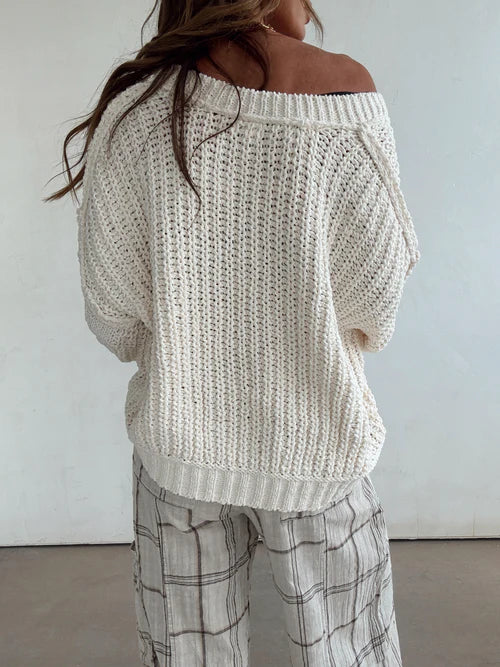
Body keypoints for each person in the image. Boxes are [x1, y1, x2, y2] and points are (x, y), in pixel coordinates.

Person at [47, 0, 421, 664]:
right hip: (318, 450)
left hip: (180, 454)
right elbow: (377, 302)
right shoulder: (344, 96)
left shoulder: (141, 105)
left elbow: (113, 313)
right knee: (350, 654)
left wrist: (189, 342)